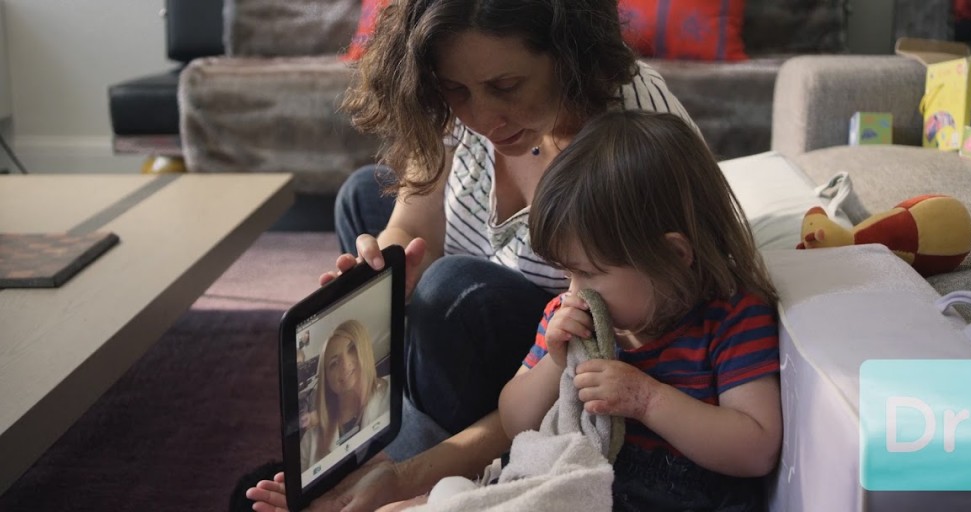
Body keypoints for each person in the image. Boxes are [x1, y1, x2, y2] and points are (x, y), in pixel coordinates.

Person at [247, 0, 698, 509]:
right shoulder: (455, 81)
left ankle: (409, 456)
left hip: (557, 357)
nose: (482, 119)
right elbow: (414, 216)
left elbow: (628, 353)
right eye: (455, 91)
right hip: (473, 330)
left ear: (568, 55)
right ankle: (386, 425)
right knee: (360, 197)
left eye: (506, 88)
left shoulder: (626, 136)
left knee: (452, 293)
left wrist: (407, 476)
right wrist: (390, 266)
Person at [499, 110, 782, 511]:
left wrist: (648, 401)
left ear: (672, 255)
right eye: (567, 273)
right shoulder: (570, 317)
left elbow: (756, 449)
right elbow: (514, 424)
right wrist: (554, 364)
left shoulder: (731, 318)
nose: (574, 291)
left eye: (588, 274)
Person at [301, 320, 391, 473]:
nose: (345, 364)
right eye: (334, 363)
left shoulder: (394, 391)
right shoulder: (309, 440)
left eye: (351, 350)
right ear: (326, 380)